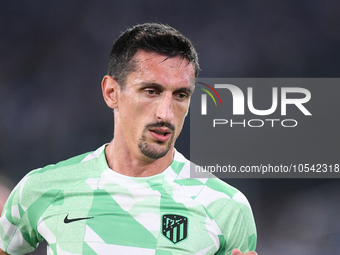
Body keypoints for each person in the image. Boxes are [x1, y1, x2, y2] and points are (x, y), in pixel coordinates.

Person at [0, 23, 257, 255]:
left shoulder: (226, 206)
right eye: (151, 91)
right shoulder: (41, 188)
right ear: (112, 92)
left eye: (180, 95)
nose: (165, 113)